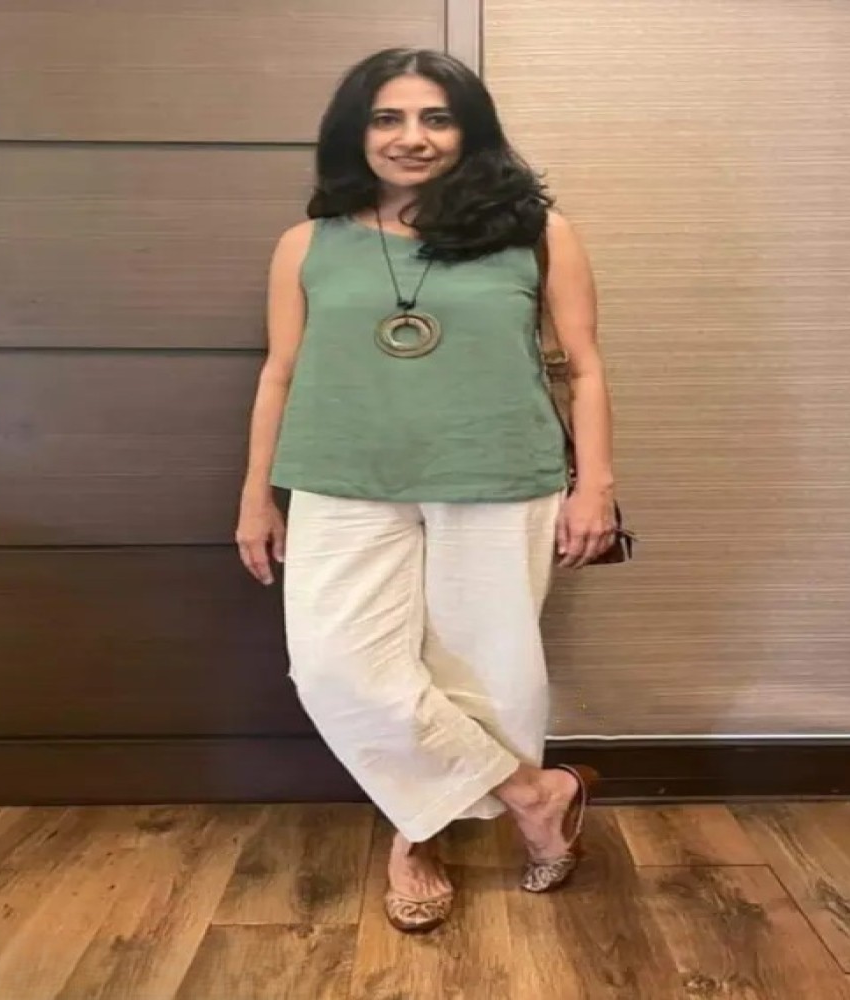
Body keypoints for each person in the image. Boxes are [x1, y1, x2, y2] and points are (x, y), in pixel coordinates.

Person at [235, 47, 618, 933]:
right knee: (335, 668)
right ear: (355, 132)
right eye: (388, 118)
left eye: (436, 118)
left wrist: (594, 484)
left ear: (469, 132)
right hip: (339, 478)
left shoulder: (539, 233)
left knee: (485, 675)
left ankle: (416, 839)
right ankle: (535, 794)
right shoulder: (306, 244)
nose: (412, 137)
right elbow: (279, 373)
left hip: (498, 475)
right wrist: (257, 494)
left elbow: (586, 367)